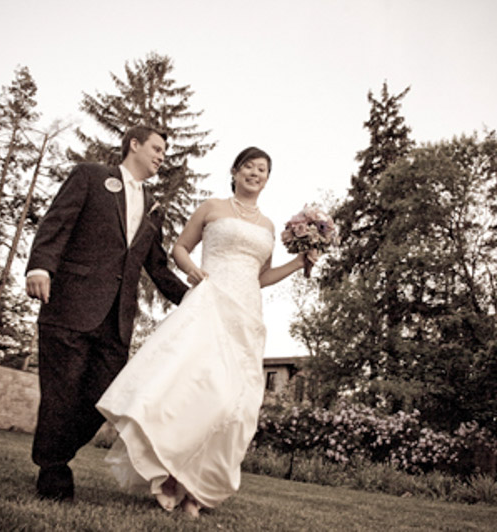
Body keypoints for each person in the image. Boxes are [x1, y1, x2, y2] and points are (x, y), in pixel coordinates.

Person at [95, 146, 317, 516]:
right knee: (195, 387)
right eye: (249, 166)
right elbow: (181, 248)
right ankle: (170, 474)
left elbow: (262, 276)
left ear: (267, 179)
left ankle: (197, 488)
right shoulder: (211, 207)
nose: (255, 173)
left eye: (263, 170)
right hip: (209, 302)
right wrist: (192, 271)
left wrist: (299, 263)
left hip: (246, 312)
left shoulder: (268, 227)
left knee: (235, 402)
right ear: (234, 171)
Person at [25, 125, 190, 502]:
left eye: (164, 151)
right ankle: (53, 472)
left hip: (116, 321)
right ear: (134, 144)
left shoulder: (153, 206)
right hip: (70, 305)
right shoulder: (90, 176)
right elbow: (56, 222)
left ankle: (55, 453)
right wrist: (39, 267)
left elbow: (157, 265)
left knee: (107, 398)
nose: (162, 156)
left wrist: (195, 299)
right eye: (157, 148)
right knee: (60, 394)